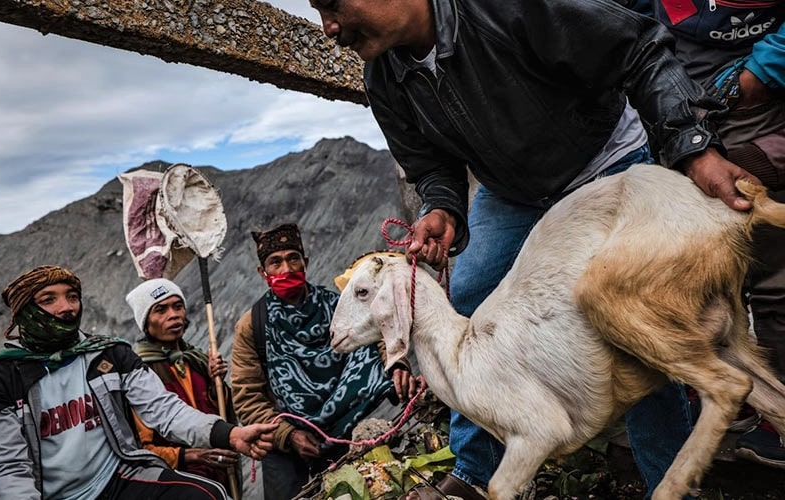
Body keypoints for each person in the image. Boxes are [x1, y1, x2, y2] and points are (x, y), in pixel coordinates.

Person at [308, 0, 761, 498]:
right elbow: (431, 164)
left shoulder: (505, 7)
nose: (329, 27)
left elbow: (637, 47)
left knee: (631, 324)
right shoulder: (384, 79)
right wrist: (443, 209)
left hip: (605, 162)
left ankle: (669, 479)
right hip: (514, 195)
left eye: (331, 4)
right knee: (471, 293)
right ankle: (474, 472)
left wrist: (692, 145)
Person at [626, 0, 785, 489]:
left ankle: (771, 420)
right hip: (676, 95)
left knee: (770, 267)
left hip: (755, 95)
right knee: (700, 276)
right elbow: (623, 24)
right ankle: (728, 409)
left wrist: (758, 73)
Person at [0, 265, 277, 500]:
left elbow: (164, 410)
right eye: (49, 299)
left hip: (116, 478)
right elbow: (6, 468)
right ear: (25, 312)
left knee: (205, 494)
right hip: (52, 494)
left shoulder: (110, 354)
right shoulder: (1, 377)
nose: (66, 307)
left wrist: (231, 435)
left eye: (72, 296)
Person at [231, 223, 421, 500]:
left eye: (293, 258)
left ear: (305, 262)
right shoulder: (252, 326)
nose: (286, 268)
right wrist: (288, 434)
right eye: (275, 262)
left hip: (342, 429)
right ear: (263, 272)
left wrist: (397, 365)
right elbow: (247, 397)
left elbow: (377, 339)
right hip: (283, 440)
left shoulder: (338, 305)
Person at [126, 278, 239, 493]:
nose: (173, 314)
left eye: (178, 306)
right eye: (161, 310)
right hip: (176, 480)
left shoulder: (195, 361)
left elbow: (217, 412)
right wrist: (190, 455)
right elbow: (141, 447)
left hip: (217, 471)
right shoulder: (138, 372)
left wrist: (216, 383)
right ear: (145, 321)